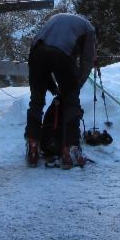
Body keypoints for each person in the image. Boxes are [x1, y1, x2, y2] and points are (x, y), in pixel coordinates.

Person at [25, 12, 97, 168]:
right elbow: (87, 60)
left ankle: (32, 144)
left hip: (36, 53)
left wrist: (53, 88)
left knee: (36, 101)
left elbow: (42, 53)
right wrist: (76, 86)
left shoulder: (54, 19)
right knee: (72, 104)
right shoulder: (89, 29)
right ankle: (70, 148)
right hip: (62, 54)